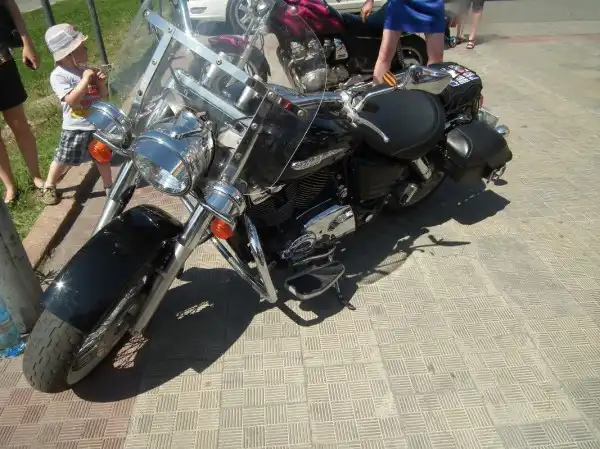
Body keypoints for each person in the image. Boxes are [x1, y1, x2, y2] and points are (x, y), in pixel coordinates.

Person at [41, 23, 113, 206]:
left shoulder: (84, 69)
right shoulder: (59, 76)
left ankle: (109, 187)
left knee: (102, 155)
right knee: (63, 158)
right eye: (81, 47)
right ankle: (49, 185)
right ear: (68, 54)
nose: (86, 49)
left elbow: (102, 96)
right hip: (75, 127)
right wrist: (85, 80)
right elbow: (72, 100)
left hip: (95, 125)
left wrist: (100, 83)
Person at [0, 0, 45, 204]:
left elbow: (10, 5)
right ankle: (10, 186)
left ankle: (36, 176)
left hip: (2, 63)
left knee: (19, 124)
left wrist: (27, 42)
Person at [361, 0, 445, 85]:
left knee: (436, 58)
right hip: (400, 4)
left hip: (431, 5)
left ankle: (433, 90)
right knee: (385, 55)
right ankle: (377, 91)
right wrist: (370, 1)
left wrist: (454, 9)